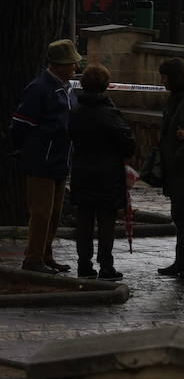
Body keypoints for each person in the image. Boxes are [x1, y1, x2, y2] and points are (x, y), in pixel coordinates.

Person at [9, 39, 78, 273]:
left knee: (55, 211)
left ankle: (46, 254)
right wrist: (28, 150)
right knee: (41, 211)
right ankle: (33, 258)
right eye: (71, 64)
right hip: (42, 160)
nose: (75, 68)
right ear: (58, 65)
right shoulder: (40, 89)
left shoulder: (66, 89)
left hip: (60, 159)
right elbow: (20, 125)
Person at [67, 64, 135, 280]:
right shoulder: (110, 113)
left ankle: (84, 264)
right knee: (106, 221)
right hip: (108, 174)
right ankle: (106, 265)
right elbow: (127, 145)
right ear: (106, 85)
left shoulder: (76, 112)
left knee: (84, 221)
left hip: (82, 170)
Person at [154, 58, 184, 280]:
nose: (162, 81)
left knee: (182, 216)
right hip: (175, 165)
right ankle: (182, 261)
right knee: (179, 215)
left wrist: (176, 158)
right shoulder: (178, 99)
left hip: (182, 167)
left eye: (165, 77)